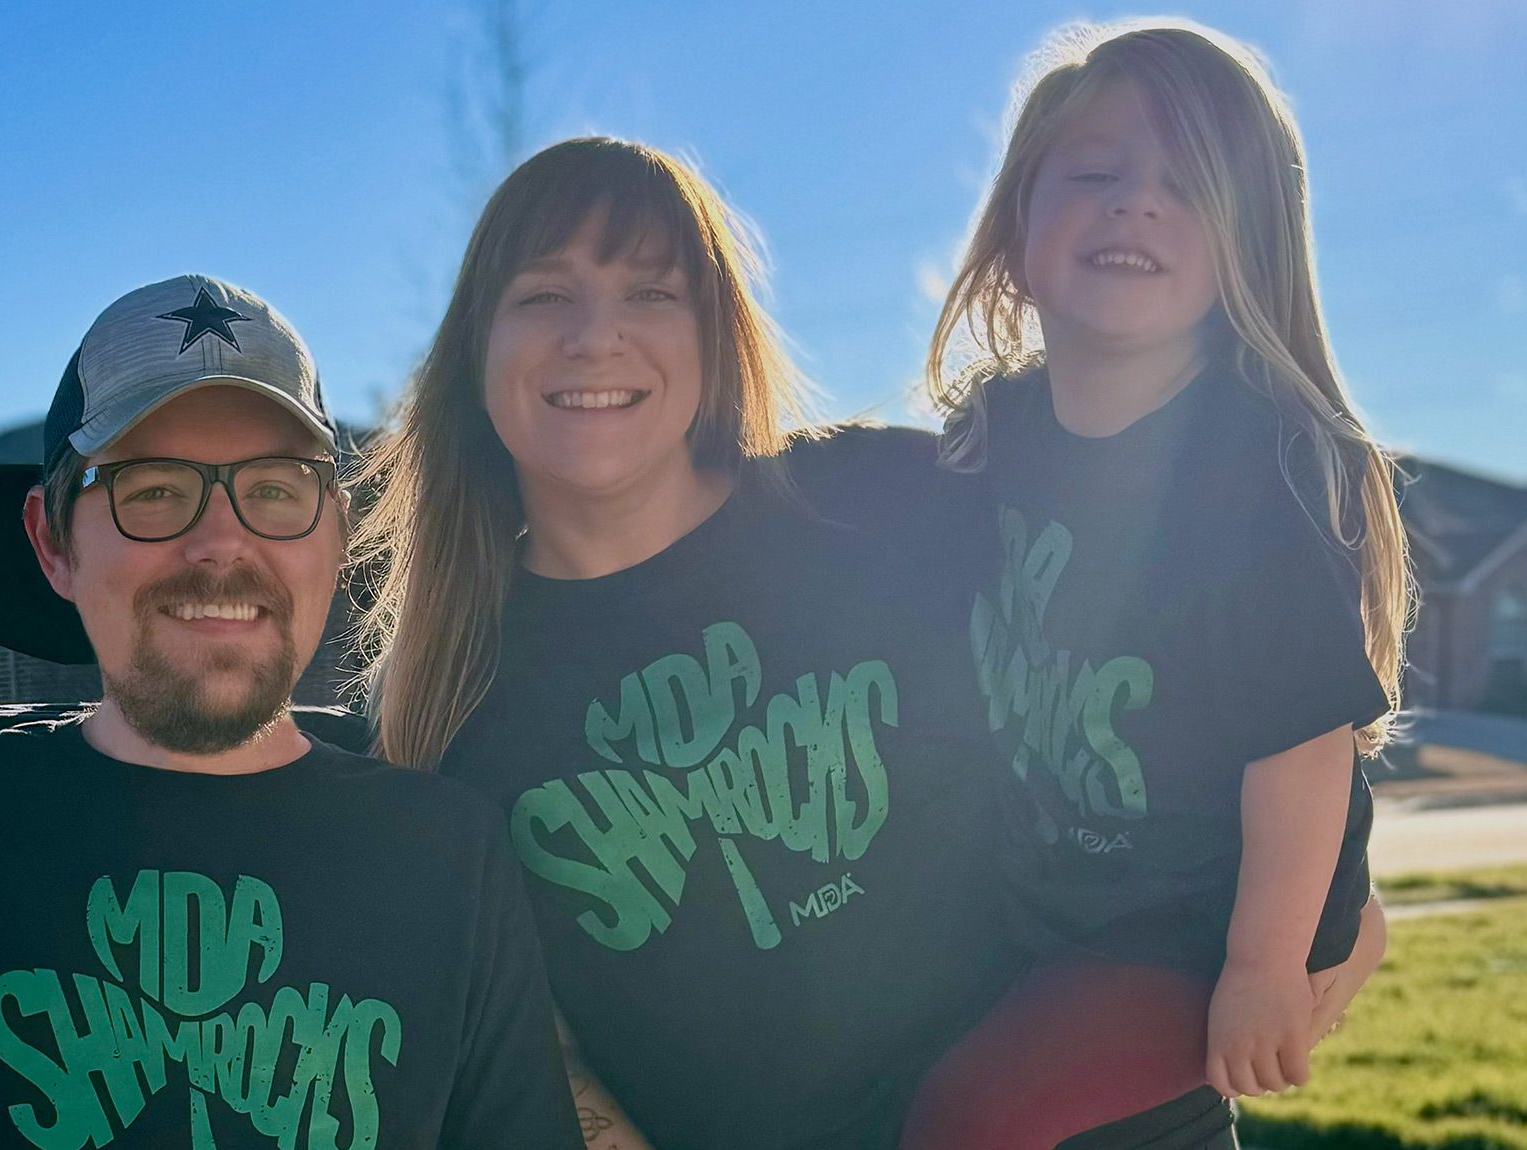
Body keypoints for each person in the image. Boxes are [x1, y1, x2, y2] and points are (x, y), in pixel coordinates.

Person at [354, 136, 1387, 1150]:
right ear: (471, 349)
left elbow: (1196, 630)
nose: (593, 337)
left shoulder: (885, 501)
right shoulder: (446, 694)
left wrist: (1323, 903)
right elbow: (522, 1033)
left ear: (716, 336)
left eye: (651, 293)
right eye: (542, 295)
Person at [0, 275, 584, 1150]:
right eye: (155, 489)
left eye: (277, 487)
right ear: (53, 543)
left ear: (337, 533)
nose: (221, 542)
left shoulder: (449, 854)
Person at [895, 22, 1413, 1148]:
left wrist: (1262, 962)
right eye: (1093, 173)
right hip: (1063, 905)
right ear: (1017, 225)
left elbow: (1299, 740)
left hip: (1197, 921)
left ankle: (1337, 925)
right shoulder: (995, 436)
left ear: (1247, 241)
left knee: (971, 1120)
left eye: (1186, 183)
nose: (1134, 202)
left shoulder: (1253, 465)